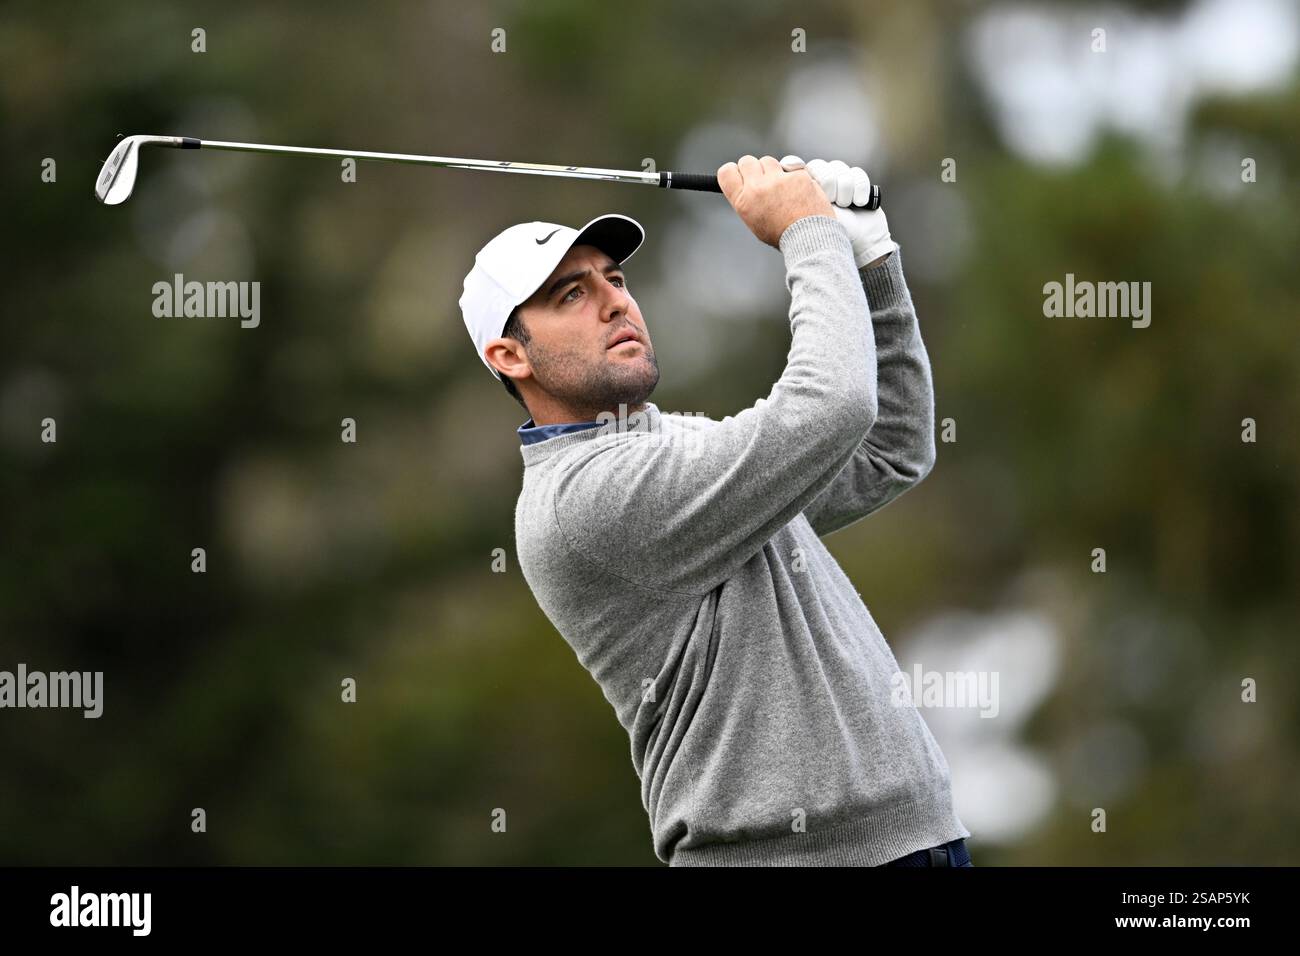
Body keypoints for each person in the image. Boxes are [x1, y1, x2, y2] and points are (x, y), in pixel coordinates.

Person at [458, 154, 973, 866]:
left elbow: (889, 449)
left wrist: (873, 262)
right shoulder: (582, 501)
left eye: (614, 278)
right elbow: (831, 407)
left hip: (915, 843)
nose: (615, 302)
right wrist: (808, 233)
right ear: (511, 356)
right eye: (571, 295)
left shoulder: (683, 444)